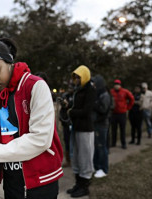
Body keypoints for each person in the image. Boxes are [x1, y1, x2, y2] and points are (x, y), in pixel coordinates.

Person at [0, 40, 63, 199]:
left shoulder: (35, 85)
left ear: (9, 62)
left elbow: (40, 139)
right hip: (11, 178)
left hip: (40, 179)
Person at [66, 65, 96, 198]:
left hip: (85, 129)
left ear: (84, 76)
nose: (76, 80)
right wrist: (68, 106)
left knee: (85, 157)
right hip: (76, 127)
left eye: (78, 77)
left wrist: (71, 112)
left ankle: (84, 187)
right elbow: (77, 107)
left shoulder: (90, 90)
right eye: (75, 77)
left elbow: (86, 111)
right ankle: (78, 184)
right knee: (77, 157)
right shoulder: (79, 89)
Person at [92, 75, 112, 178]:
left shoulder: (104, 95)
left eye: (94, 83)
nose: (93, 85)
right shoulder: (98, 94)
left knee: (101, 146)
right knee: (96, 146)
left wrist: (94, 104)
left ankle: (104, 169)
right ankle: (97, 166)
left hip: (101, 124)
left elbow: (104, 110)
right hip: (96, 124)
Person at [110, 79, 134, 149]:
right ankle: (113, 142)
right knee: (113, 129)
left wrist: (128, 107)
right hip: (114, 113)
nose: (116, 86)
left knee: (122, 129)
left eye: (117, 84)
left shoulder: (125, 91)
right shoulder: (111, 92)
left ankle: (123, 143)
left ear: (120, 85)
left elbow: (132, 99)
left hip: (122, 113)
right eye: (115, 84)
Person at [59, 83, 74, 167]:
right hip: (66, 123)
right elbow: (62, 109)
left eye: (71, 87)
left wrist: (68, 104)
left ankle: (74, 159)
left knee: (74, 142)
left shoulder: (76, 96)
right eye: (69, 87)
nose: (70, 89)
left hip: (73, 122)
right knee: (67, 141)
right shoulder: (65, 96)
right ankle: (68, 160)